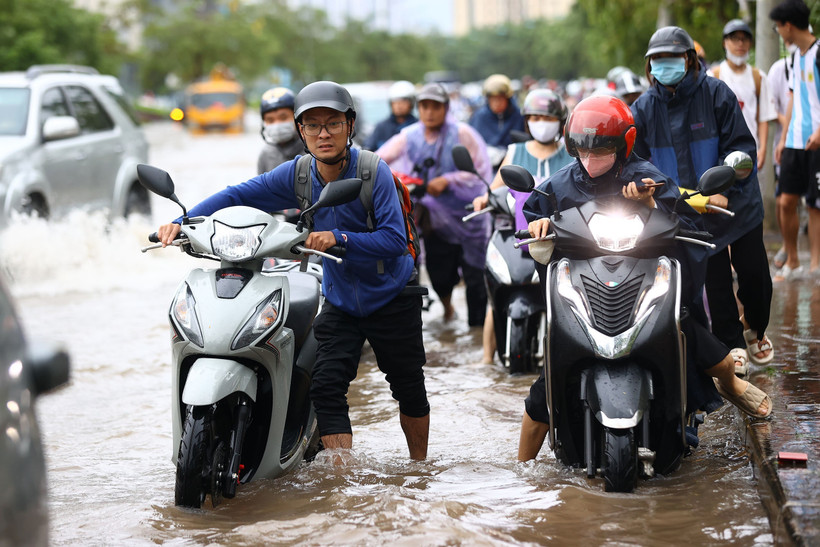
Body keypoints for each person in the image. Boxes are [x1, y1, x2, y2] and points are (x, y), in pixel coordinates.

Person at [157, 81, 430, 460]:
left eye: (333, 124)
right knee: (325, 386)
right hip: (341, 303)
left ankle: (419, 469)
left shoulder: (373, 172)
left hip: (390, 296)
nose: (323, 133)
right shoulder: (299, 174)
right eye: (313, 125)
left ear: (349, 126)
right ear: (301, 131)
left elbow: (394, 241)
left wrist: (337, 238)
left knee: (408, 387)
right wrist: (181, 220)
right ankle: (341, 479)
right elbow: (238, 195)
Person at [517, 96, 772, 461]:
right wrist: (537, 226)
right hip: (585, 291)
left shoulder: (647, 177)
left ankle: (730, 382)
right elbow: (533, 219)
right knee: (547, 382)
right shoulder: (558, 185)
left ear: (625, 143)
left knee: (683, 324)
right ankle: (522, 471)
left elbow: (686, 223)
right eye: (582, 147)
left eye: (601, 146)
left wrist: (651, 206)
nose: (591, 156)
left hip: (641, 284)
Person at [631, 26, 775, 367]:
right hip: (688, 210)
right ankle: (731, 346)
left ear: (689, 59)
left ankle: (755, 328)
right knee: (715, 283)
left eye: (672, 58)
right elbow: (635, 162)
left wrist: (724, 188)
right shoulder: (643, 109)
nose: (664, 65)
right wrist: (650, 190)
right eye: (657, 60)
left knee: (755, 278)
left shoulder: (717, 94)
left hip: (735, 204)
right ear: (649, 66)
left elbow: (741, 148)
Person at [471, 89, 573, 364]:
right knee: (496, 291)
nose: (541, 122)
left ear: (560, 120)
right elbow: (495, 187)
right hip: (518, 235)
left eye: (547, 117)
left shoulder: (570, 154)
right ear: (527, 121)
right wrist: (484, 198)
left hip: (559, 236)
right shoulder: (515, 151)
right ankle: (485, 360)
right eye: (535, 117)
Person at [377, 82, 492, 326]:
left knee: (475, 276)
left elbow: (481, 174)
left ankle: (477, 331)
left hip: (470, 217)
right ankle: (448, 308)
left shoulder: (463, 134)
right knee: (439, 274)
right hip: (434, 219)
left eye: (435, 106)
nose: (429, 112)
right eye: (424, 106)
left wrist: (448, 181)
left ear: (446, 108)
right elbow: (377, 160)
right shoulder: (409, 135)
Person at [771, 0, 820, 279]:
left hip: (817, 142)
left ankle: (815, 265)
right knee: (786, 201)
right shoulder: (795, 57)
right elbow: (791, 98)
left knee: (815, 205)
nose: (779, 32)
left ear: (788, 25)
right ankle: (792, 260)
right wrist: (782, 139)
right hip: (794, 142)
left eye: (779, 27)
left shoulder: (818, 53)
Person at [712, 19, 778, 170]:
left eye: (745, 39)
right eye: (734, 38)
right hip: (720, 152)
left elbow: (763, 118)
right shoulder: (713, 76)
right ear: (724, 42)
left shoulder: (759, 77)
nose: (740, 44)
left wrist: (762, 149)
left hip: (749, 152)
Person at [768, 36, 798, 268]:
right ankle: (788, 248)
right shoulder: (779, 70)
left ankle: (796, 255)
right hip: (787, 143)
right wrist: (792, 123)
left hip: (808, 141)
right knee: (783, 200)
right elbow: (773, 107)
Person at [469, 74, 525, 153]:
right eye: (492, 99)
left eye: (500, 98)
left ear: (508, 99)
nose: (497, 103)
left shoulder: (519, 117)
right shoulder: (479, 117)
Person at [257, 87, 303, 174]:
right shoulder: (266, 154)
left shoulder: (312, 150)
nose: (277, 124)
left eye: (283, 118)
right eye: (270, 120)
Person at [363, 80, 418, 151]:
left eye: (403, 101)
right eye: (395, 102)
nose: (398, 105)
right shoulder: (381, 127)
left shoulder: (417, 126)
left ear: (411, 103)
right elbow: (368, 148)